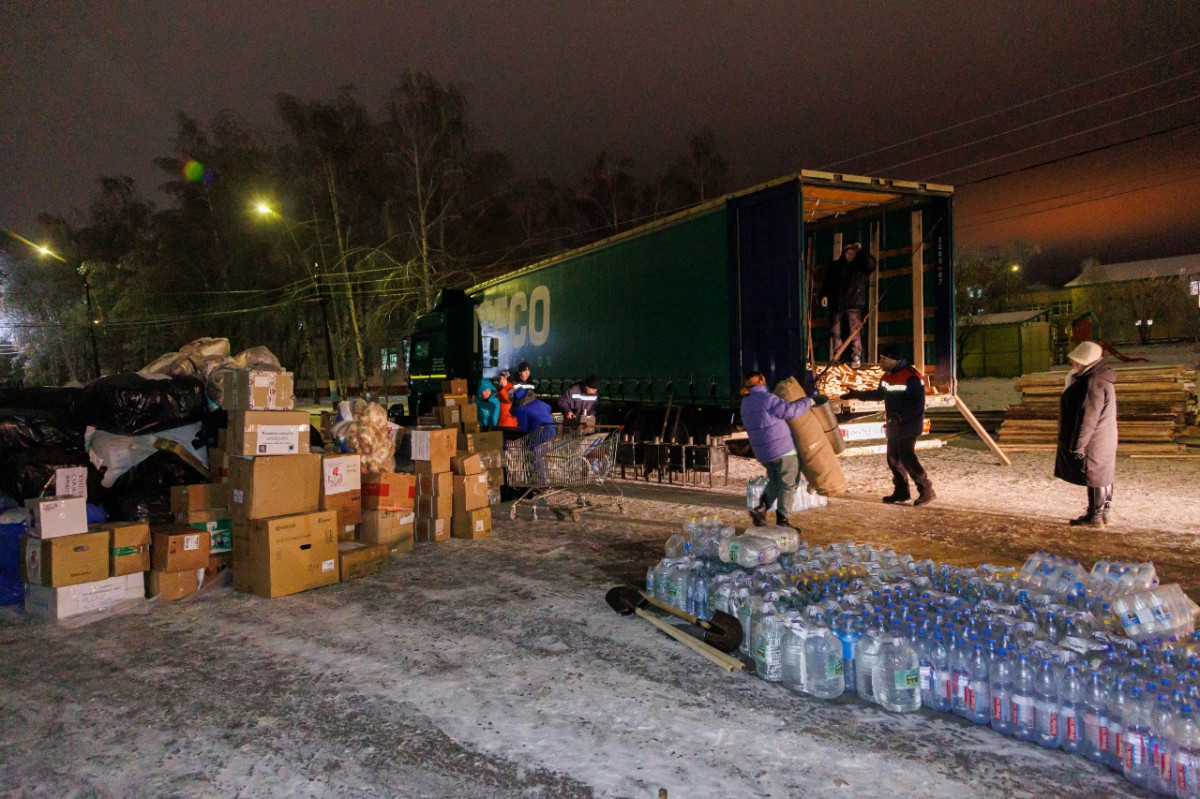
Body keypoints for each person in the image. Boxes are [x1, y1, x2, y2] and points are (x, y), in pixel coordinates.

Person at [840, 352, 935, 506]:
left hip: (908, 424)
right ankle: (902, 492)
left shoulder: (911, 376)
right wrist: (857, 394)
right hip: (894, 424)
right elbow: (879, 394)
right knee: (893, 459)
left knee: (907, 457)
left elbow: (917, 404)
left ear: (893, 360)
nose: (880, 362)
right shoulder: (887, 376)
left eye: (883, 359)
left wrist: (900, 417)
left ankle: (926, 490)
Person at [1053, 341, 1118, 528]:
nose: (1073, 364)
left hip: (1094, 440)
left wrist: (1078, 445)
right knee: (1103, 475)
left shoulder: (1092, 382)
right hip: (1104, 437)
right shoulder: (1102, 378)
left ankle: (1095, 516)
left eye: (1076, 361)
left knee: (1095, 476)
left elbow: (1087, 419)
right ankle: (1103, 514)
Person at [740, 372, 815, 531]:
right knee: (789, 484)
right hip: (782, 449)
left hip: (764, 453)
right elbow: (790, 411)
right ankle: (783, 521)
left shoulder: (745, 403)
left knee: (775, 480)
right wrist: (809, 401)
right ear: (761, 380)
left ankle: (761, 509)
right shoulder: (768, 399)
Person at [820, 241, 876, 369]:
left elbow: (871, 265)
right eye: (848, 253)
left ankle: (856, 357)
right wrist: (824, 295)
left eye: (852, 254)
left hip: (853, 305)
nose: (850, 256)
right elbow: (827, 283)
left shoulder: (860, 267)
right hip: (837, 304)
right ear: (843, 254)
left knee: (854, 333)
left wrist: (861, 251)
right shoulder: (835, 267)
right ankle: (837, 356)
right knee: (836, 332)